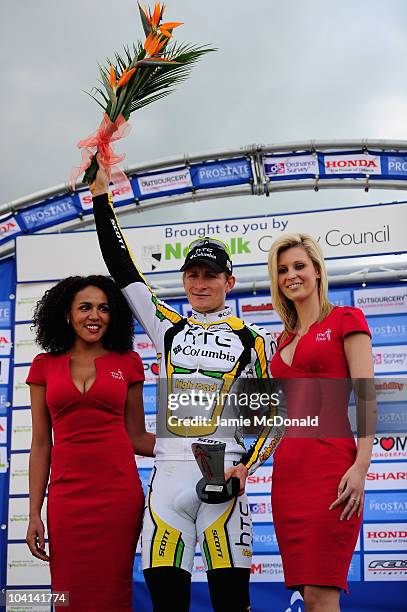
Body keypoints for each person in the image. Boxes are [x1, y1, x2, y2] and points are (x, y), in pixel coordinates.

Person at [90, 168, 282, 612]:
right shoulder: (168, 329)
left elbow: (273, 420)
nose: (200, 283)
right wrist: (102, 197)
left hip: (223, 480)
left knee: (232, 605)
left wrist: (244, 468)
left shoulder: (251, 338)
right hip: (168, 482)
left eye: (210, 275)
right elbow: (124, 270)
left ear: (228, 282)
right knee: (167, 605)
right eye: (192, 274)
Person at [26, 275, 154, 612]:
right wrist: (33, 513)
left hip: (117, 497)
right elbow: (41, 444)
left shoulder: (128, 362)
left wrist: (194, 445)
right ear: (67, 313)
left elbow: (137, 438)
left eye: (103, 308)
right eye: (85, 307)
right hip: (67, 499)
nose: (94, 315)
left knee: (114, 595)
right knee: (67, 597)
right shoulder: (44, 366)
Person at [268, 233, 375, 612]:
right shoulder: (280, 341)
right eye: (282, 270)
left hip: (331, 469)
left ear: (316, 271)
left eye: (299, 266)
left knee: (320, 596)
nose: (291, 275)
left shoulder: (347, 318)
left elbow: (366, 398)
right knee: (306, 596)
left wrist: (361, 466)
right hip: (287, 475)